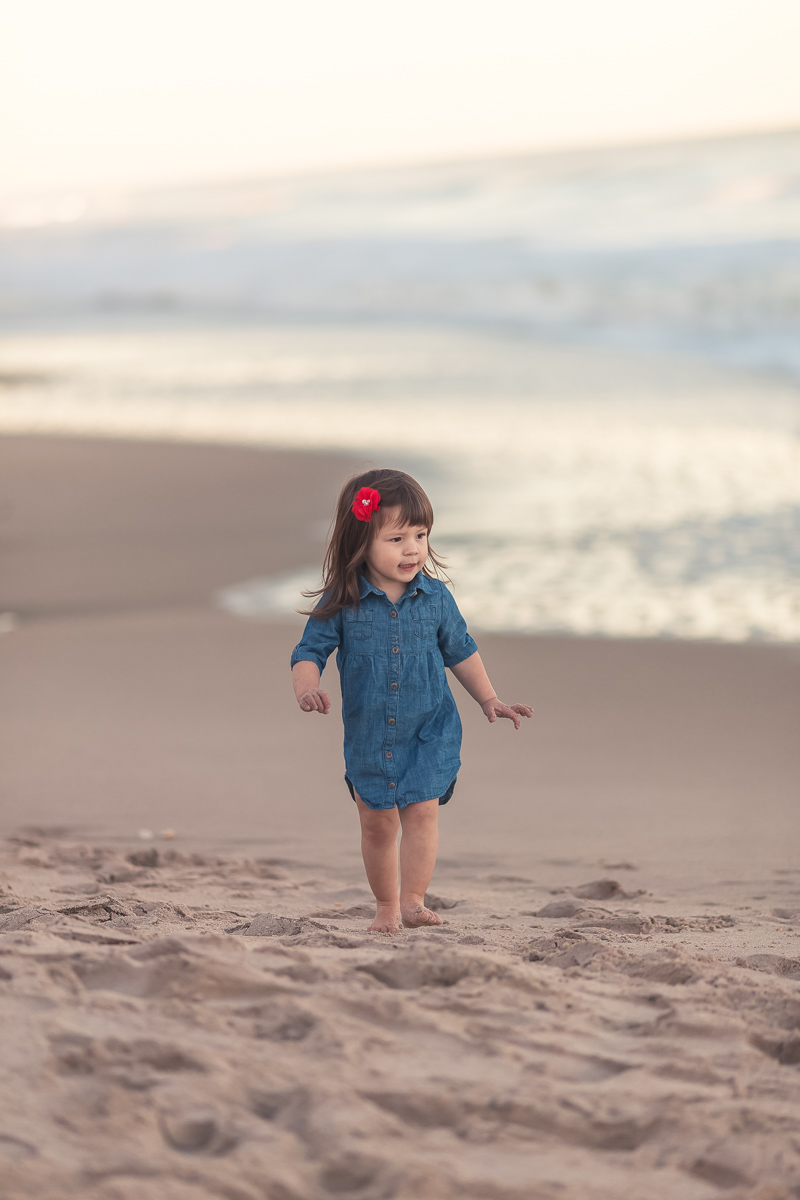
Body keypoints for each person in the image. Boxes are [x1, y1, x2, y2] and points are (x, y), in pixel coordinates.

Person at [290, 468, 533, 934]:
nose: (413, 549)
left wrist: (489, 699)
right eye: (396, 537)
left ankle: (412, 902)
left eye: (420, 535)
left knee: (423, 811)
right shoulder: (343, 600)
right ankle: (385, 905)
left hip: (431, 727)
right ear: (359, 542)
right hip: (371, 734)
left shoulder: (436, 597)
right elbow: (309, 650)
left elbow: (461, 650)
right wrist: (307, 686)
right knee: (378, 824)